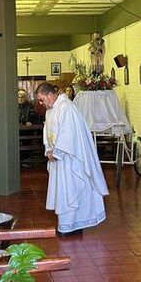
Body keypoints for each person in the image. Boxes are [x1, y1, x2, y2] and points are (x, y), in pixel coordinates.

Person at [35, 82, 108, 235]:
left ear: (50, 95)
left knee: (71, 192)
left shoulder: (66, 108)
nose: (41, 104)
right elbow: (47, 132)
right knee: (63, 193)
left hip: (70, 159)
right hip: (58, 160)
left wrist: (56, 153)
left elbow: (69, 134)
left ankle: (73, 225)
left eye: (42, 99)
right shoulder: (51, 110)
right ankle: (67, 224)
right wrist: (48, 149)